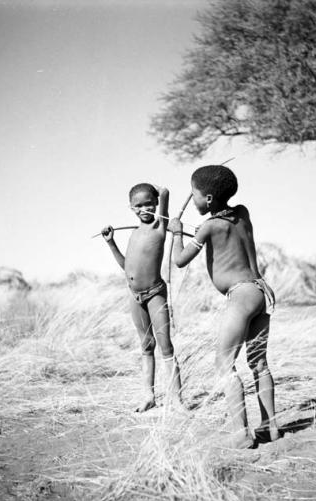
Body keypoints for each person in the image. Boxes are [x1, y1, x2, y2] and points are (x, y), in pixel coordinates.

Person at [170, 165, 279, 448]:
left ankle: (241, 435)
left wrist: (177, 233)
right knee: (258, 364)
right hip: (258, 291)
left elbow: (179, 260)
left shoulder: (208, 227)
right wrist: (202, 229)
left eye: (194, 194)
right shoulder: (242, 213)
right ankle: (271, 427)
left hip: (240, 296)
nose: (191, 199)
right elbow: (226, 226)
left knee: (224, 364)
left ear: (207, 199)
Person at [101, 183, 183, 413]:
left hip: (155, 293)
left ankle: (176, 399)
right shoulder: (134, 234)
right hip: (134, 295)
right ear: (131, 208)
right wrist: (110, 242)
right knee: (146, 346)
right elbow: (125, 266)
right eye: (138, 206)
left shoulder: (160, 227)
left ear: (155, 203)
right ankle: (148, 396)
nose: (144, 209)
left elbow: (165, 192)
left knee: (165, 346)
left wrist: (160, 191)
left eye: (148, 203)